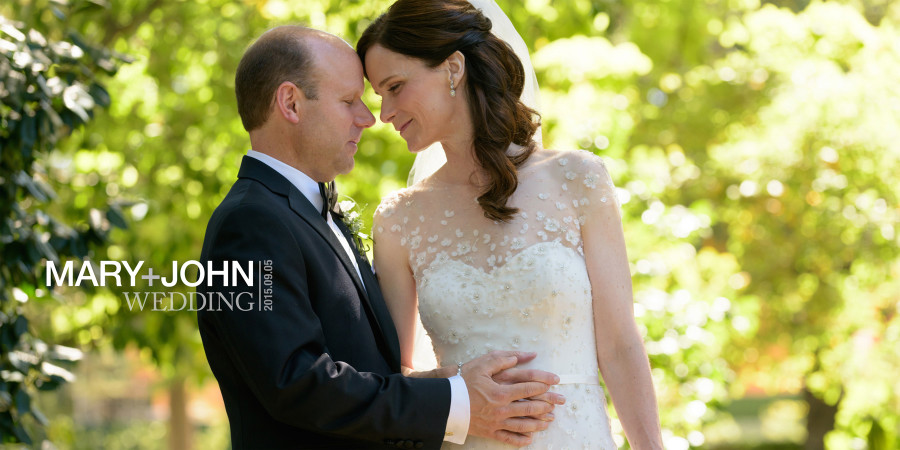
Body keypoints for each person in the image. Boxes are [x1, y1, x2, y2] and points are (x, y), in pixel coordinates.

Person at [197, 25, 565, 449]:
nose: (369, 118)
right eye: (349, 101)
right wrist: (456, 402)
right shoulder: (245, 226)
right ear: (291, 103)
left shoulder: (308, 212)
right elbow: (294, 383)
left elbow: (359, 368)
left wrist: (436, 384)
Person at [357, 0, 665, 448]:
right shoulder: (398, 218)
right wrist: (459, 389)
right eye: (379, 95)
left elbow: (619, 345)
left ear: (453, 69)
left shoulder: (578, 178)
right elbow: (395, 375)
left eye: (396, 86)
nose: (384, 112)